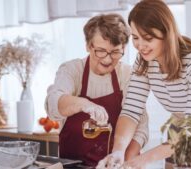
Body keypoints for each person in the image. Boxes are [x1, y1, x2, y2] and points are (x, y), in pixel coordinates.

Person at [98, 0, 191, 168]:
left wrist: (143, 159)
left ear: (167, 33)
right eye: (135, 38)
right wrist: (118, 150)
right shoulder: (145, 61)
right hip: (180, 124)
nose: (140, 46)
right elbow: (131, 110)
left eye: (148, 38)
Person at [45, 13, 149, 167]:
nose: (107, 60)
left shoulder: (127, 75)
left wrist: (123, 161)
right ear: (88, 45)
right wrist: (84, 104)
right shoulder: (72, 70)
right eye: (100, 51)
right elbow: (54, 103)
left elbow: (140, 127)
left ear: (124, 48)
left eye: (115, 52)